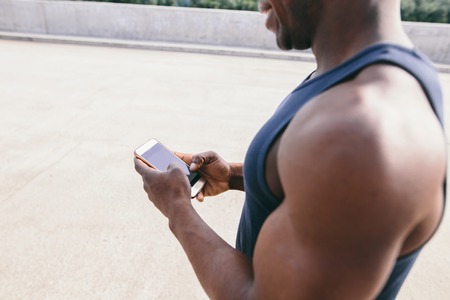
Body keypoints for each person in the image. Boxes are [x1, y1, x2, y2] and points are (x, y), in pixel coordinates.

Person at [134, 0, 446, 298]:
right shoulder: (363, 71)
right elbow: (319, 189)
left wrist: (177, 207)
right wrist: (234, 177)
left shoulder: (363, 133)